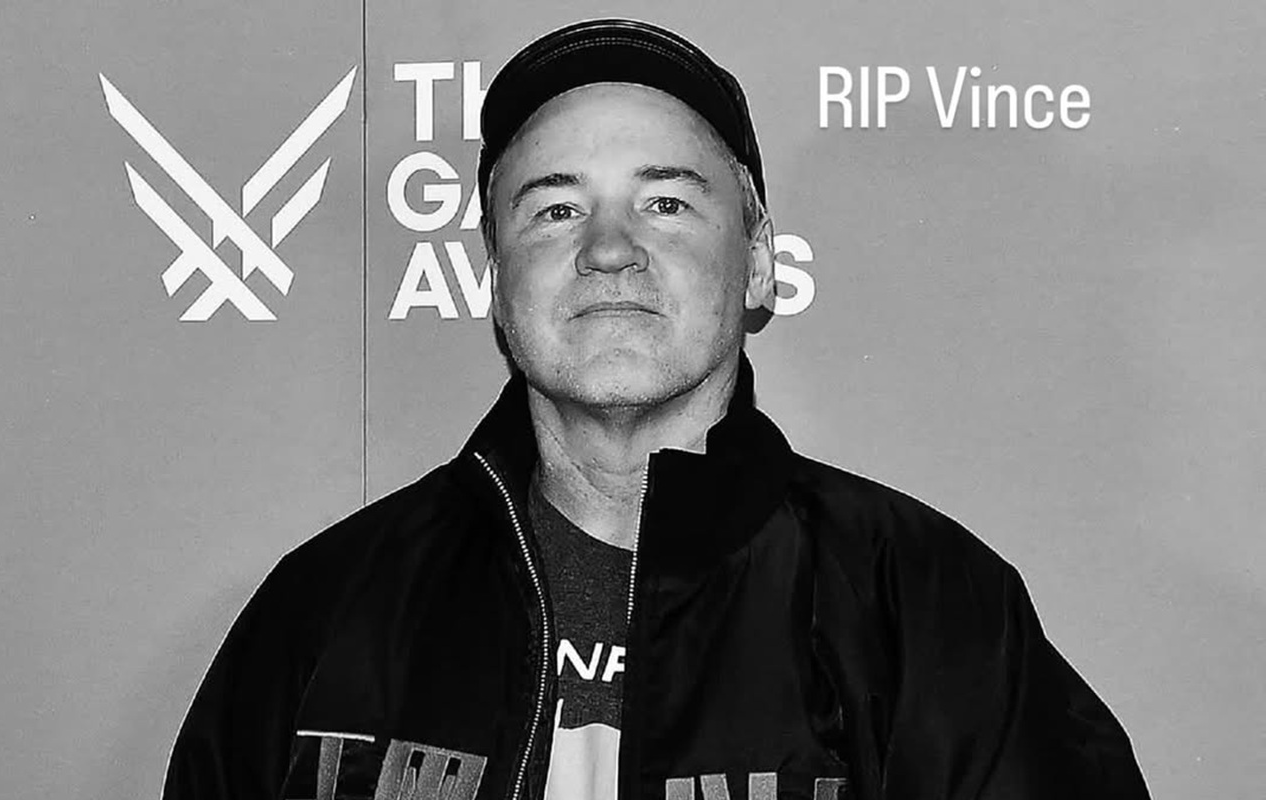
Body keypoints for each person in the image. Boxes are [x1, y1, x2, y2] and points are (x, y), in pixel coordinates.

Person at [162, 18, 1150, 800]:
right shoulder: (326, 608)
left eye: (665, 203)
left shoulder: (928, 607)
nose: (607, 249)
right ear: (495, 278)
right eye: (555, 208)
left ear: (757, 260)